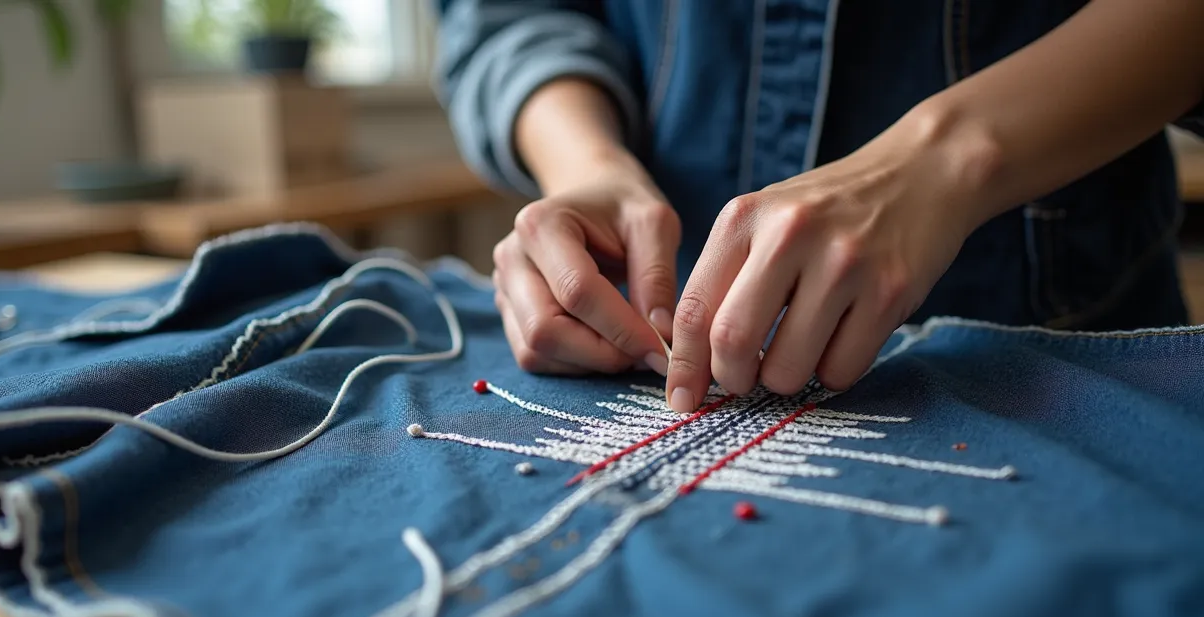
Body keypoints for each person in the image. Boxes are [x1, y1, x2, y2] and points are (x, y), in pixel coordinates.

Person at [433, 1, 1204, 413]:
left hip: (1060, 363)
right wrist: (586, 165)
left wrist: (951, 156)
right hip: (636, 330)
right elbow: (511, 12)